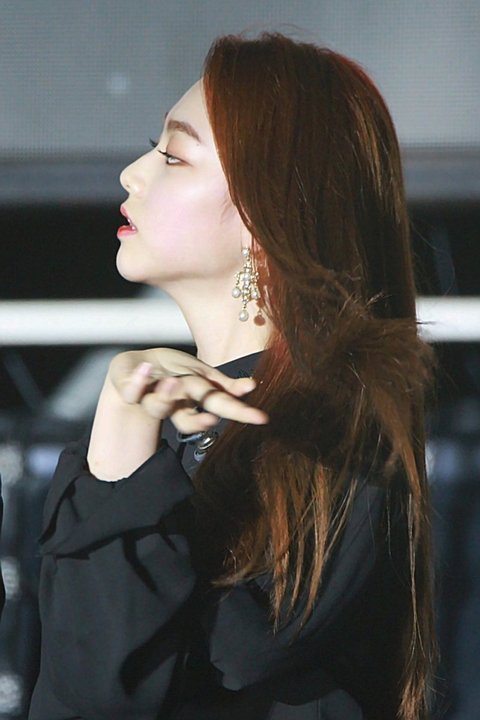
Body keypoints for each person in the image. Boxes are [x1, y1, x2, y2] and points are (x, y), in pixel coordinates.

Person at [28, 32, 437, 720]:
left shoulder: (334, 431)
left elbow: (234, 656)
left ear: (261, 214)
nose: (132, 174)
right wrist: (122, 434)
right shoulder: (151, 427)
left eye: (172, 155)